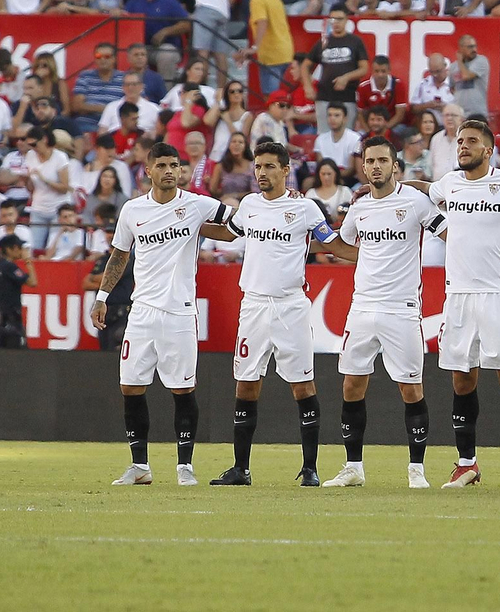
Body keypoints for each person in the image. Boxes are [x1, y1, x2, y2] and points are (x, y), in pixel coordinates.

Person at [203, 141, 343, 486]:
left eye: (268, 167)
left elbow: (332, 243)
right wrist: (193, 225)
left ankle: (310, 468)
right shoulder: (249, 205)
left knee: (302, 385)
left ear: (286, 170)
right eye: (258, 167)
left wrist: (372, 250)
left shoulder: (306, 208)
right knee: (246, 384)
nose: (261, 173)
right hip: (253, 304)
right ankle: (241, 469)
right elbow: (229, 232)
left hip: (290, 305)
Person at [94, 142, 232, 487]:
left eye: (176, 165)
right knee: (130, 386)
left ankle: (184, 466)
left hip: (180, 312)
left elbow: (236, 221)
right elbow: (119, 255)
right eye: (163, 165)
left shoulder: (197, 204)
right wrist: (102, 296)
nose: (171, 171)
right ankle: (139, 465)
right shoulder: (132, 211)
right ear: (148, 171)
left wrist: (213, 228)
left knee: (183, 389)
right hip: (141, 311)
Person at [422, 120, 500, 489]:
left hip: (497, 293)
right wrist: (387, 188)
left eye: (471, 141)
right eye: (460, 141)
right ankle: (466, 463)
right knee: (461, 379)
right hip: (457, 295)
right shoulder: (448, 184)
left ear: (488, 150)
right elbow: (421, 192)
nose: (463, 146)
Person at [318, 136, 438, 488]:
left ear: (395, 166)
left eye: (382, 161)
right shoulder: (359, 207)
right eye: (370, 161)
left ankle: (416, 470)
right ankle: (353, 466)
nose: (375, 167)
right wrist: (314, 231)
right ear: (364, 165)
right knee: (352, 385)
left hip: (401, 308)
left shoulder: (415, 202)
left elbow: (447, 232)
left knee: (410, 388)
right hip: (362, 306)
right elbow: (348, 246)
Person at [0, 234, 35, 348]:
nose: (21, 250)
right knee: (18, 358)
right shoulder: (10, 267)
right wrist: (28, 260)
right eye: (19, 247)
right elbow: (33, 282)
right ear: (10, 249)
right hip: (12, 320)